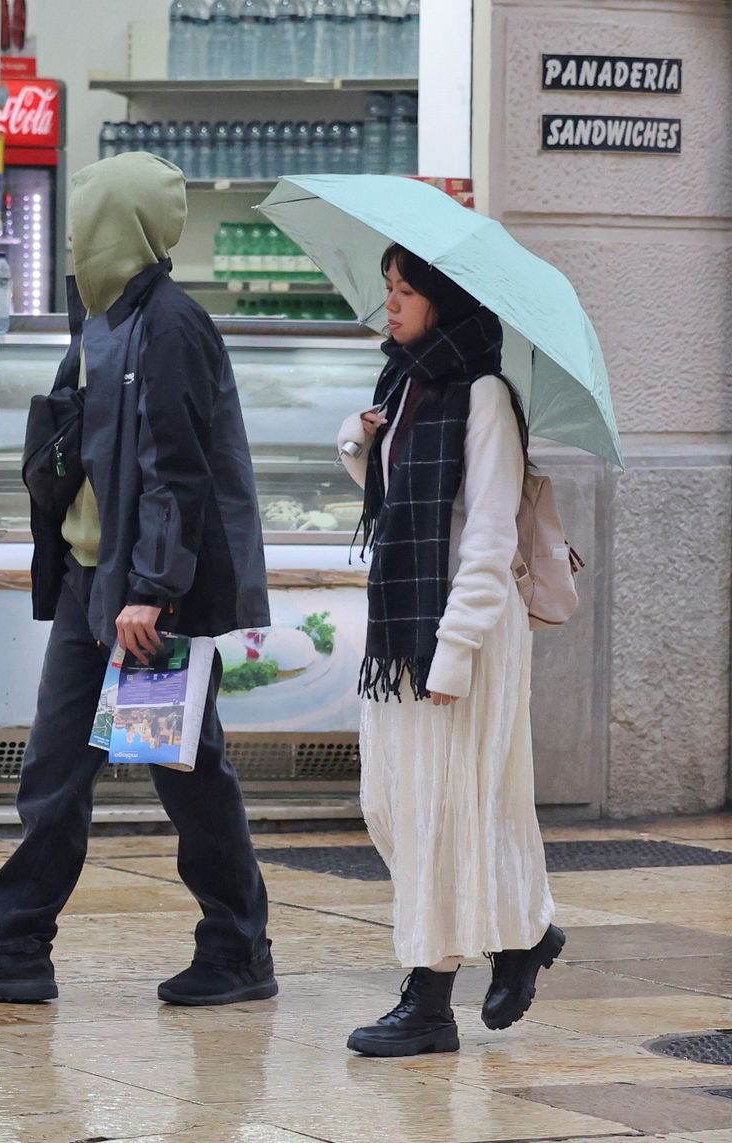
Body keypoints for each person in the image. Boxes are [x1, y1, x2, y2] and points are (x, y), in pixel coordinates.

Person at [0, 152, 276, 1006]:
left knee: (186, 774)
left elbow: (177, 473)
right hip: (91, 586)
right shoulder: (102, 320)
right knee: (53, 769)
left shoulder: (173, 327)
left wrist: (154, 588)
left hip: (149, 597)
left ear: (122, 227)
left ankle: (238, 947)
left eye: (86, 220)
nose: (72, 236)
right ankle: (12, 946)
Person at [335, 244, 562, 1058]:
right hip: (404, 626)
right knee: (392, 802)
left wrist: (455, 651)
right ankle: (525, 931)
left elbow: (492, 536)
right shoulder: (403, 384)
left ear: (445, 301)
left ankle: (428, 999)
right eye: (388, 287)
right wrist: (361, 439)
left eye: (405, 291)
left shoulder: (484, 397)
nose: (390, 303)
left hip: (461, 631)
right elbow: (390, 497)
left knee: (443, 810)